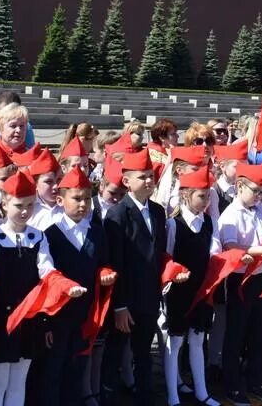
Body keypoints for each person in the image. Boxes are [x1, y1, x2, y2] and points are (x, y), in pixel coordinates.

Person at [0, 171, 68, 406]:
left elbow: (47, 272)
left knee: (19, 382)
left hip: (29, 319)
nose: (25, 211)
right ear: (5, 203)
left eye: (30, 205)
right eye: (19, 205)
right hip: (1, 319)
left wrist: (64, 287)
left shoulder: (38, 237)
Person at [101, 150, 167, 404]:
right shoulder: (117, 215)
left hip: (149, 297)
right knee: (115, 354)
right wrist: (119, 305)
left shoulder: (158, 212)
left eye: (151, 176)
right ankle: (108, 398)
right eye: (143, 177)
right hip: (126, 300)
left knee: (143, 354)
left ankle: (145, 397)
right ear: (127, 181)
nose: (149, 181)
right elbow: (115, 263)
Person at [42, 167, 112, 406]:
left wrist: (105, 273)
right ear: (60, 200)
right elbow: (46, 278)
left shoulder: (97, 232)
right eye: (76, 198)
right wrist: (47, 322)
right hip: (60, 314)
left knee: (77, 365)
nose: (83, 204)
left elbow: (102, 262)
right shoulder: (50, 234)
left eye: (86, 199)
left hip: (86, 312)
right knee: (54, 368)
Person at [218, 162, 262, 406]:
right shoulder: (231, 215)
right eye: (256, 191)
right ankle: (232, 384)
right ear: (239, 186)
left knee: (258, 331)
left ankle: (255, 379)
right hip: (242, 279)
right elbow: (231, 246)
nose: (260, 196)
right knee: (237, 333)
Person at [162, 169, 220, 406]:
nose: (206, 202)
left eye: (208, 196)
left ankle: (201, 390)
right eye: (201, 196)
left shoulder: (208, 221)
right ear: (186, 195)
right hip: (179, 291)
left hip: (201, 289)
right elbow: (167, 256)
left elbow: (214, 251)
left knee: (197, 339)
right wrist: (174, 275)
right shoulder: (173, 224)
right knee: (175, 342)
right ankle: (173, 395)